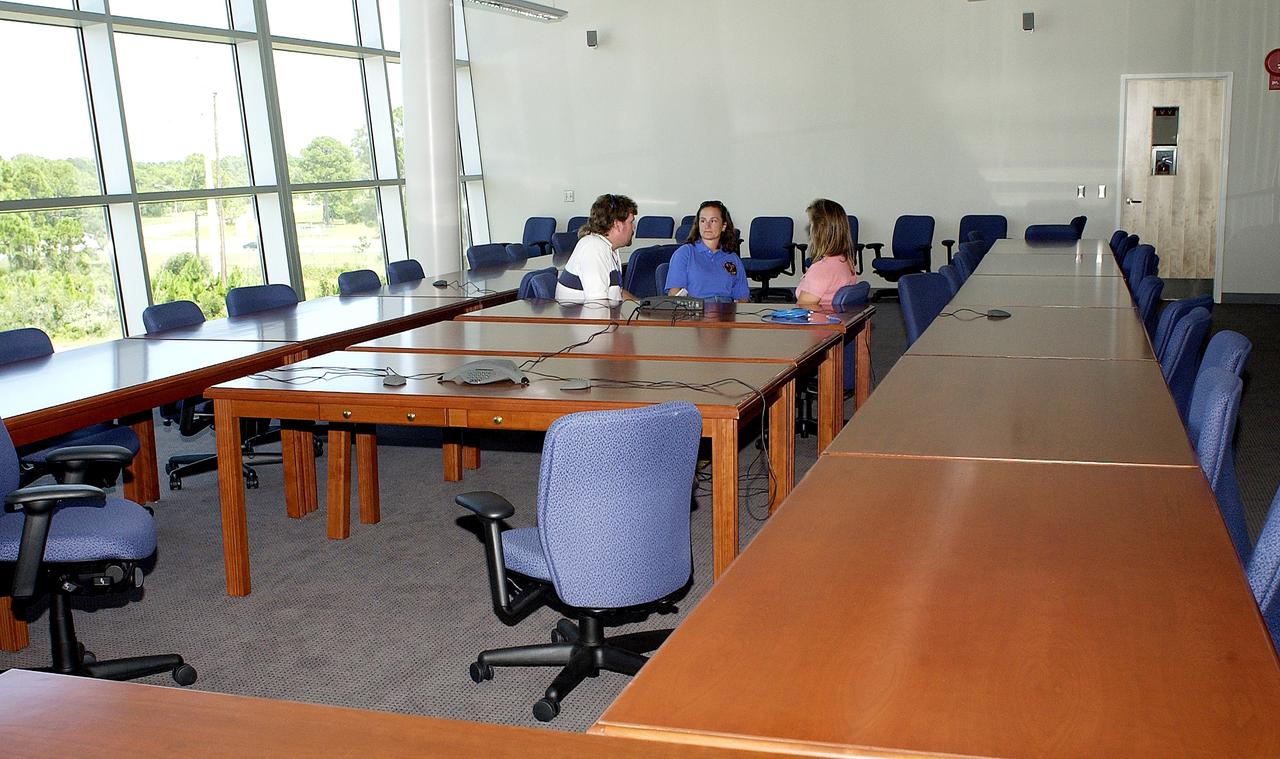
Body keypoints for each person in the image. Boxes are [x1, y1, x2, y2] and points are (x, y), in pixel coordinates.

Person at [555, 193, 637, 302]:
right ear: (617, 225)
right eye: (631, 222)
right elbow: (597, 307)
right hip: (580, 318)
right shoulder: (593, 249)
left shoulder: (609, 248)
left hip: (598, 315)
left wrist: (643, 308)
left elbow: (618, 293)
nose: (634, 227)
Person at [664, 200, 748, 302]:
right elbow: (675, 295)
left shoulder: (732, 258)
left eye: (713, 221)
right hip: (695, 313)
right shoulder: (685, 253)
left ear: (723, 226)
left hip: (726, 313)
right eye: (703, 221)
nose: (707, 226)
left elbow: (742, 298)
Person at [794, 198, 858, 308]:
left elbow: (801, 312)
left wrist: (813, 274)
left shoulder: (821, 269)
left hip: (818, 323)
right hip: (836, 320)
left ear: (818, 231)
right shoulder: (846, 261)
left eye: (811, 225)